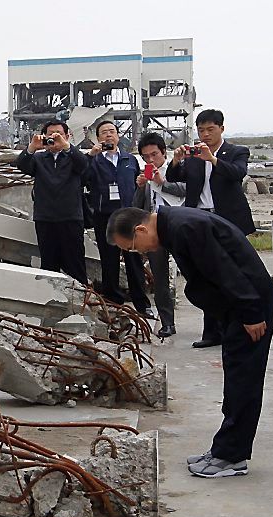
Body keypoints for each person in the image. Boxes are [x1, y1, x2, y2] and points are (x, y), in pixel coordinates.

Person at [106, 206, 273, 478]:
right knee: (235, 377)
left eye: (135, 248)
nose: (141, 253)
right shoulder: (174, 226)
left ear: (140, 229)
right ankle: (223, 448)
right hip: (240, 306)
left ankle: (231, 456)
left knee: (243, 381)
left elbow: (225, 270)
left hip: (250, 305)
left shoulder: (184, 227)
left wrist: (251, 313)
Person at [166, 109, 253, 348]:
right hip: (200, 219)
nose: (205, 135)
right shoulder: (194, 156)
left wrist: (213, 160)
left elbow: (237, 173)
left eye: (210, 130)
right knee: (206, 276)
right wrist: (176, 160)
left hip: (228, 220)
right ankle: (211, 332)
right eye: (201, 130)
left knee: (233, 275)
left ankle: (236, 328)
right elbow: (174, 177)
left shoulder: (236, 151)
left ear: (221, 129)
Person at [85, 120, 155, 317]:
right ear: (97, 138)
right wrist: (92, 156)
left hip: (129, 217)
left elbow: (137, 184)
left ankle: (142, 304)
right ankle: (113, 303)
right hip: (104, 215)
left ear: (118, 136)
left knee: (134, 260)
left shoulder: (129, 159)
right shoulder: (94, 160)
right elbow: (82, 177)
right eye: (104, 132)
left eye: (112, 131)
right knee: (109, 260)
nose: (109, 135)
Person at [14, 120, 89, 285]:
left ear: (67, 136)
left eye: (59, 134)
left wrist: (67, 146)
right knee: (49, 265)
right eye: (50, 135)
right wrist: (32, 148)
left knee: (75, 263)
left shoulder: (73, 157)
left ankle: (81, 300)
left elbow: (84, 165)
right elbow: (22, 165)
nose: (54, 138)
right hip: (45, 218)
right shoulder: (40, 158)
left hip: (70, 218)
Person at [133, 133, 186, 338]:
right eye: (146, 156)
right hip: (154, 229)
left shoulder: (176, 169)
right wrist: (140, 186)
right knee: (160, 279)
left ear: (163, 152)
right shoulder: (144, 174)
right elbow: (136, 205)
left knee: (194, 272)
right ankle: (167, 323)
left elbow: (185, 190)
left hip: (177, 225)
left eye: (154, 154)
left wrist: (161, 182)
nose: (150, 160)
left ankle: (212, 321)